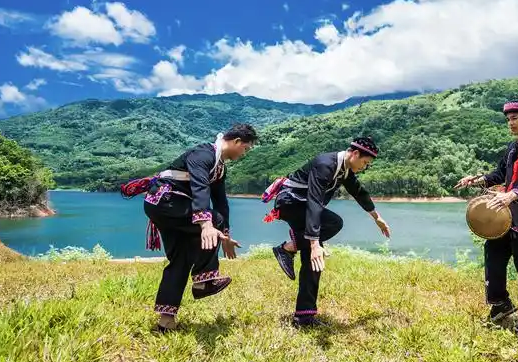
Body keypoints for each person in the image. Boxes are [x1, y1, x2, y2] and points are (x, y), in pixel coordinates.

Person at [122, 123, 258, 333]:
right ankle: (204, 280)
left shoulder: (219, 167)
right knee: (214, 218)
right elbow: (199, 188)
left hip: (168, 206)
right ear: (237, 141)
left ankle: (165, 322)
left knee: (180, 260)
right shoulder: (203, 154)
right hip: (165, 203)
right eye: (246, 149)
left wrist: (226, 236)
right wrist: (206, 224)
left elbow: (221, 201)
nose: (245, 154)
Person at [261, 136, 392, 328]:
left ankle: (304, 317)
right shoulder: (325, 164)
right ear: (355, 154)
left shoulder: (344, 170)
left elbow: (359, 192)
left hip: (304, 207)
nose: (365, 167)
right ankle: (289, 247)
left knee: (314, 260)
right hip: (291, 203)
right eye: (365, 163)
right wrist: (314, 242)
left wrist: (377, 218)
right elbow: (314, 201)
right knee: (332, 223)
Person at [455, 99, 518, 333]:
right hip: (505, 215)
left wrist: (511, 195)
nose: (511, 123)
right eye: (508, 119)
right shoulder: (512, 147)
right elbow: (499, 173)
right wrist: (478, 180)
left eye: (515, 118)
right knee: (493, 252)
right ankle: (501, 304)